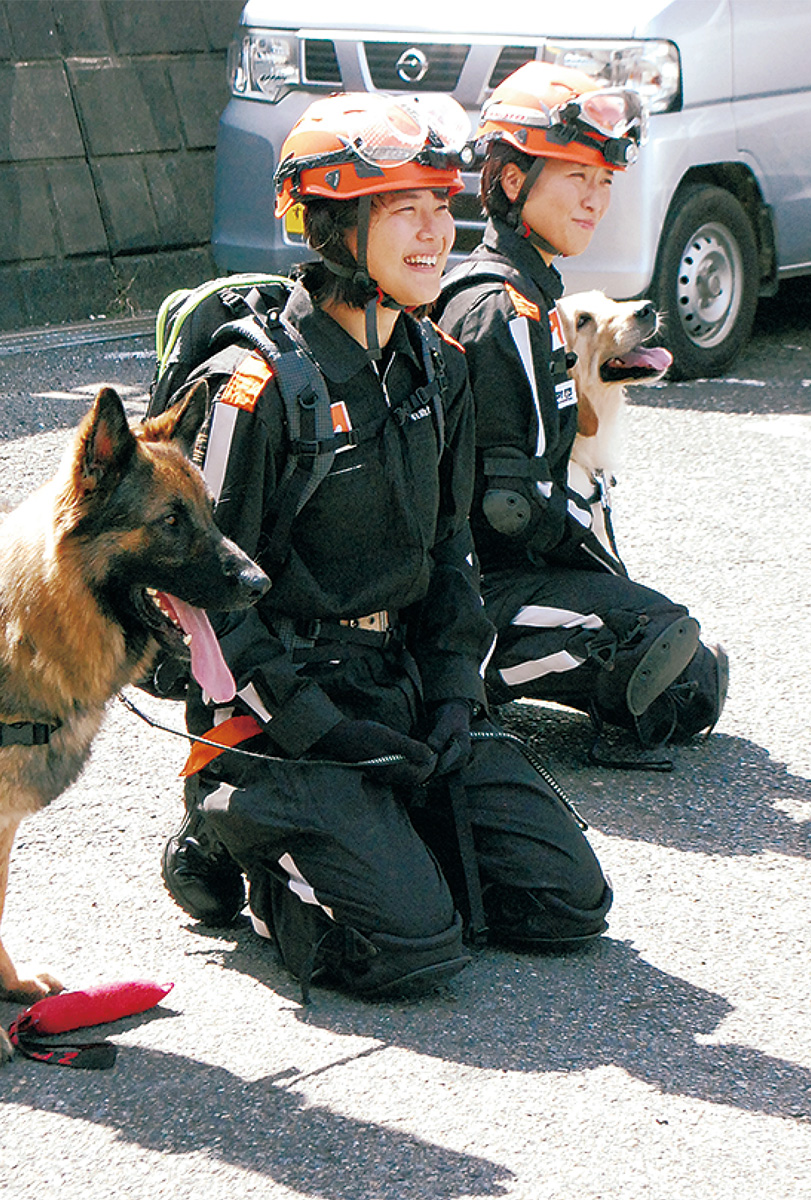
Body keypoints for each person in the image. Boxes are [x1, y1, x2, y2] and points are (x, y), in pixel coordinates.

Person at [158, 92, 612, 1000]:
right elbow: (204, 597)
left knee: (566, 902)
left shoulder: (438, 367)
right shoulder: (256, 386)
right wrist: (320, 728)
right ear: (334, 227)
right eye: (404, 210)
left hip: (398, 689)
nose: (436, 232)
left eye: (441, 206)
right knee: (410, 949)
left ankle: (376, 836)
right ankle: (230, 839)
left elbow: (451, 558)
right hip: (279, 713)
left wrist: (451, 698)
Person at [434, 62, 728, 753]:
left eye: (604, 182)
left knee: (684, 664)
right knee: (656, 640)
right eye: (576, 178)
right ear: (514, 182)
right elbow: (513, 508)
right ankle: (461, 678)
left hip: (491, 571)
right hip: (471, 589)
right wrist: (609, 578)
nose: (595, 199)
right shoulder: (503, 310)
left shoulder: (525, 296)